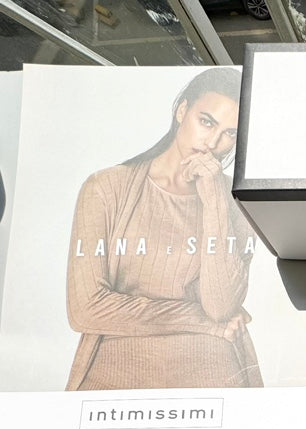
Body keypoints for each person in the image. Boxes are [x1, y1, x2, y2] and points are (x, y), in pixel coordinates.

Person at [65, 67, 261, 392]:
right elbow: (86, 309)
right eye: (206, 122)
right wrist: (198, 320)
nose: (212, 143)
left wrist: (215, 200)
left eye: (229, 133)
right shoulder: (106, 187)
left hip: (212, 369)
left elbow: (221, 306)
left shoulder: (235, 201)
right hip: (113, 371)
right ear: (182, 110)